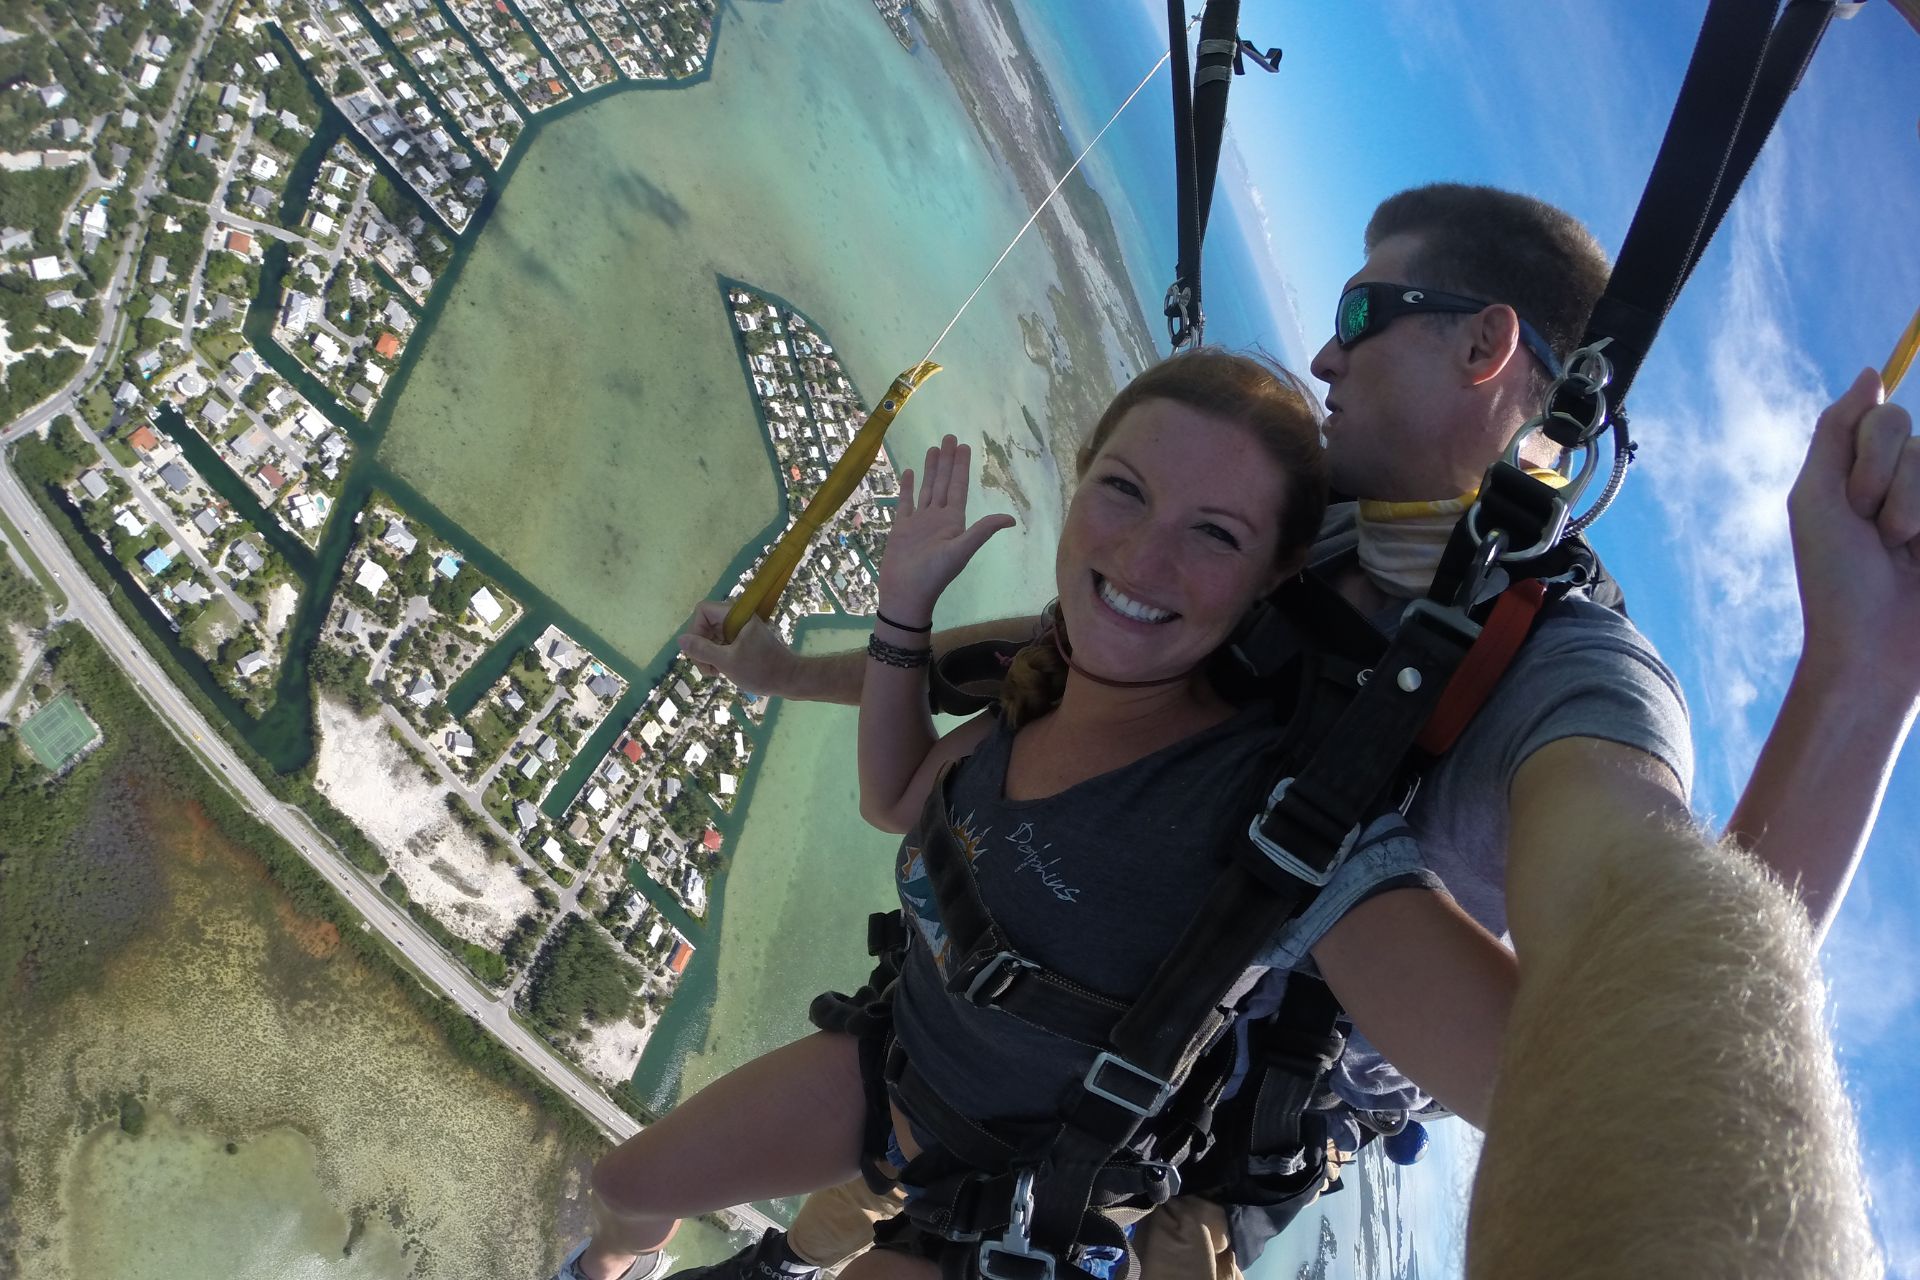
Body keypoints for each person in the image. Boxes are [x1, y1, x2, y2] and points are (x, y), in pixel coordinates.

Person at [653, 184, 1917, 1277]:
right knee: (855, 1189)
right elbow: (1061, 657)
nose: (1323, 355)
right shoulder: (1315, 535)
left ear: (1487, 343)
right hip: (1006, 1011)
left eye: (1363, 312)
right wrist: (800, 667)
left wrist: (1857, 688)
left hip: (1161, 1150)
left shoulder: (1566, 673)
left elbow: (1657, 963)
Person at [560, 348, 1533, 1280]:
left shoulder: (1250, 801)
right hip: (896, 1052)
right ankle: (622, 1259)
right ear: (1076, 484)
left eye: (1216, 532)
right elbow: (896, 797)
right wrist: (903, 604)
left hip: (1021, 1181)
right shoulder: (1042, 684)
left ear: (1274, 577)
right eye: (1124, 488)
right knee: (625, 1181)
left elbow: (1533, 1082)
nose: (1145, 556)